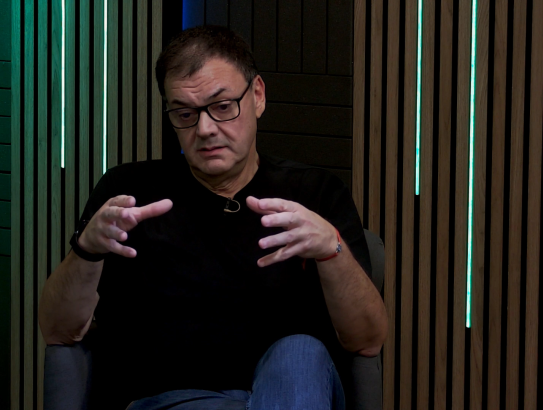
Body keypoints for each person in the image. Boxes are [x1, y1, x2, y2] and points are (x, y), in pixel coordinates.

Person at [38, 25, 387, 410]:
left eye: (222, 107)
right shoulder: (128, 194)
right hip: (170, 400)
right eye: (185, 113)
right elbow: (58, 332)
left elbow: (367, 341)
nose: (204, 130)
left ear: (257, 95)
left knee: (300, 353)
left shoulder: (316, 193)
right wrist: (86, 250)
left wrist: (331, 249)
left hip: (293, 391)